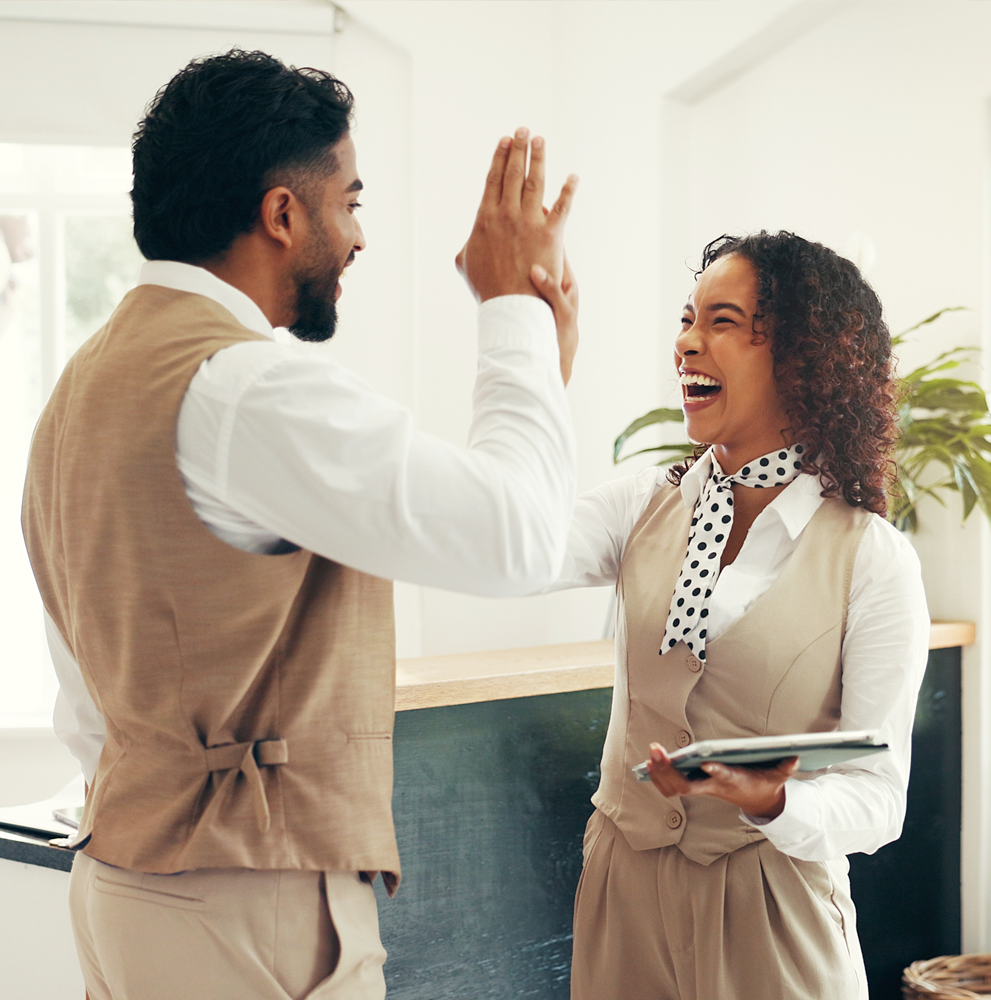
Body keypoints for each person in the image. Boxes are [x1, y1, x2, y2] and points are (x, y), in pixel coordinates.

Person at [21, 49, 580, 1000]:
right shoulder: (246, 387)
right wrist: (513, 314)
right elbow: (516, 539)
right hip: (244, 901)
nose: (359, 237)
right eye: (350, 202)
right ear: (283, 213)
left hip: (123, 883)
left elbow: (87, 697)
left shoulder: (84, 385)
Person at [549, 231, 928, 1000]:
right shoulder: (640, 504)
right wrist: (543, 372)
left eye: (721, 321)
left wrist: (777, 801)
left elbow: (879, 796)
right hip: (622, 906)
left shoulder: (873, 558)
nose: (687, 343)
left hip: (775, 918)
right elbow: (510, 547)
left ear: (803, 357)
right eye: (687, 319)